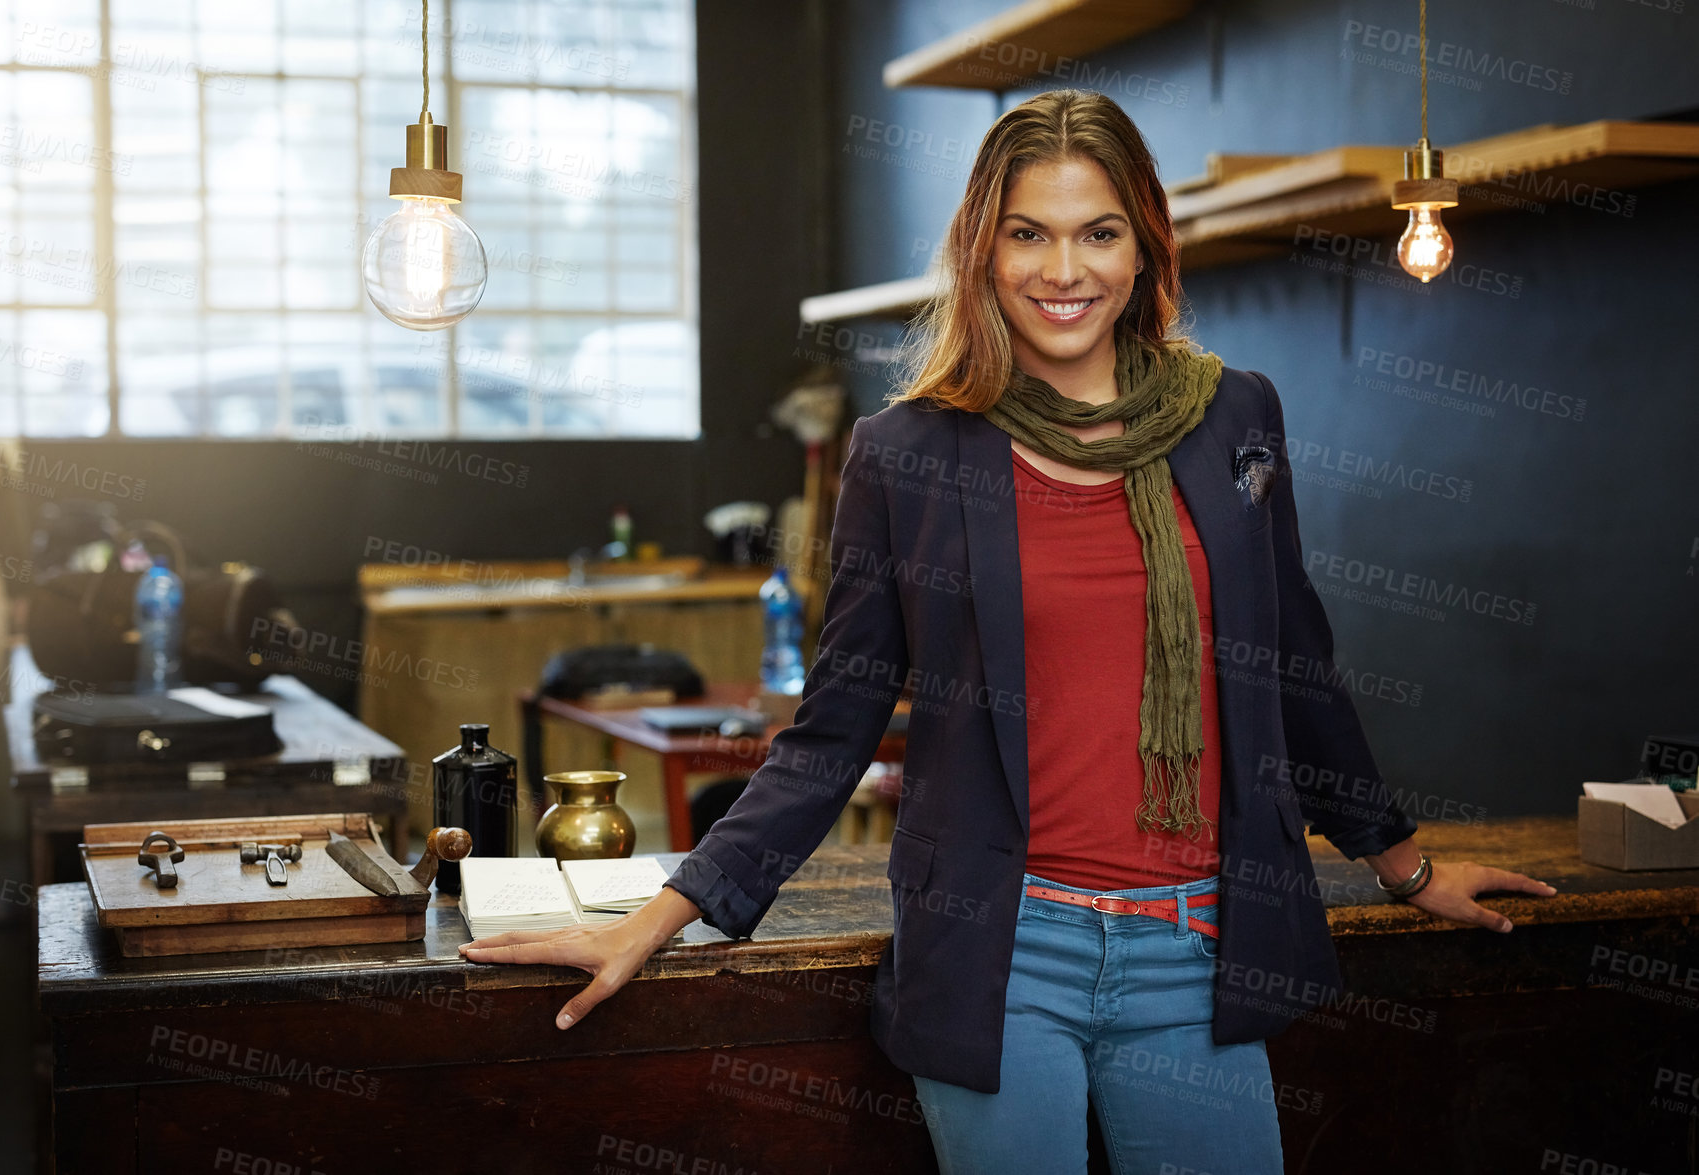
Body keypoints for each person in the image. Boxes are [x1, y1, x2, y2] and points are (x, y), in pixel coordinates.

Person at [462, 89, 1558, 1173]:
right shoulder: (906, 453)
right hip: (1001, 955)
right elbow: (830, 730)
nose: (1063, 271)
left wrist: (1409, 868)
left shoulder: (1238, 416)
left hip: (1200, 945)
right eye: (1027, 234)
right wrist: (653, 919)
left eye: (1098, 233)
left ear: (1144, 247)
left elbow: (1293, 669)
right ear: (982, 249)